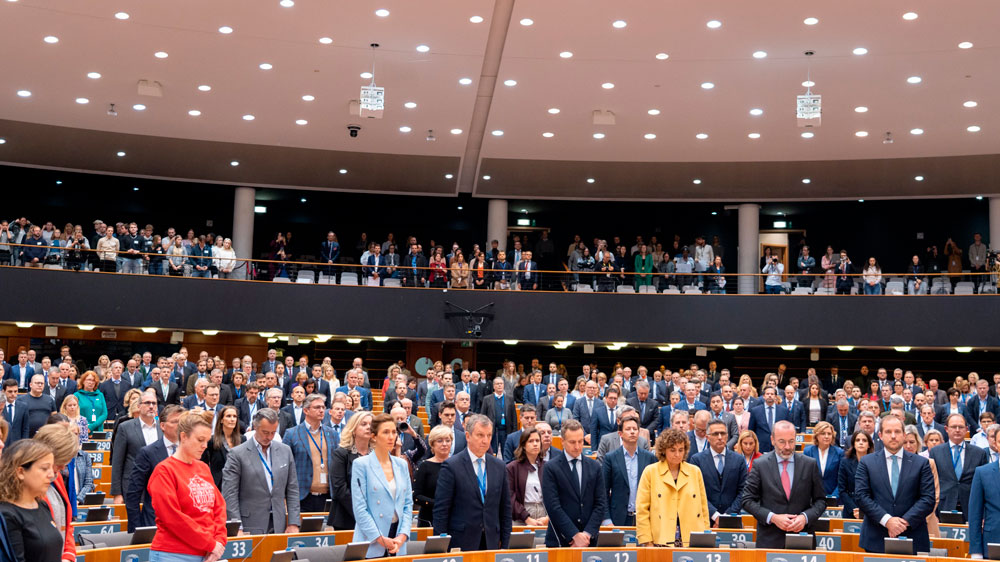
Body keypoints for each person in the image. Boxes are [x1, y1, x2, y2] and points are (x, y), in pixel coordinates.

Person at [147, 409, 227, 562]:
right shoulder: (164, 471)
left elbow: (219, 508)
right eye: (200, 440)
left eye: (207, 441)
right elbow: (172, 517)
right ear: (183, 436)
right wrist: (211, 544)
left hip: (208, 553)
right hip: (172, 554)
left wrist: (219, 543)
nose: (204, 446)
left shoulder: (203, 467)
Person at [854, 415, 936, 553]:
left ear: (904, 435)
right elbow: (861, 496)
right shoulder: (867, 462)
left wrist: (903, 523)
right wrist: (887, 521)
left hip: (912, 535)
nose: (893, 436)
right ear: (880, 435)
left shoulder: (921, 463)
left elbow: (928, 499)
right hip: (876, 537)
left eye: (897, 432)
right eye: (888, 432)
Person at [741, 420, 827, 548]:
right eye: (782, 441)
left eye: (791, 441)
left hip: (802, 539)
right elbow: (747, 500)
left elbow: (820, 501)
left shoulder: (810, 464)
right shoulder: (760, 465)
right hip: (770, 539)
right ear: (772, 440)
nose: (787, 447)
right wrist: (773, 517)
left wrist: (805, 518)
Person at [433, 414, 512, 551]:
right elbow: (441, 511)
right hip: (461, 541)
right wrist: (441, 548)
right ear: (468, 436)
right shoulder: (451, 466)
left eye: (489, 435)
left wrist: (505, 544)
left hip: (491, 541)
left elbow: (505, 509)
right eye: (480, 435)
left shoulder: (499, 466)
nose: (485, 440)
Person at [222, 408, 300, 534]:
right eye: (265, 432)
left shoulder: (285, 451)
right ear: (255, 427)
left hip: (279, 523)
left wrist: (293, 522)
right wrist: (237, 526)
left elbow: (292, 489)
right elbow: (229, 494)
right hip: (250, 524)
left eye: (273, 432)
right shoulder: (237, 454)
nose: (269, 437)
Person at [351, 413, 413, 557]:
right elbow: (360, 508)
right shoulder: (361, 465)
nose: (391, 437)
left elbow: (407, 504)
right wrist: (379, 538)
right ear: (374, 436)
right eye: (385, 432)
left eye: (393, 432)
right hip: (371, 539)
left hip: (397, 538)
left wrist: (402, 536)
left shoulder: (401, 465)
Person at [636, 428, 709, 546]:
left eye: (681, 450)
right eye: (672, 450)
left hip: (691, 538)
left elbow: (703, 508)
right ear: (664, 450)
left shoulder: (695, 472)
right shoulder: (650, 472)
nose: (677, 454)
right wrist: (647, 541)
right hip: (660, 538)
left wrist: (705, 536)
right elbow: (642, 510)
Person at [541, 419, 604, 546]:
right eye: (572, 442)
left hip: (589, 540)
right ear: (562, 441)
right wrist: (574, 534)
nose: (577, 446)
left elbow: (600, 504)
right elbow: (553, 506)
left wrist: (587, 534)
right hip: (560, 539)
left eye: (580, 441)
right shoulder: (551, 468)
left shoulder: (595, 466)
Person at [0, 440, 62, 562]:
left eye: (51, 468)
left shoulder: (42, 505)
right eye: (44, 468)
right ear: (21, 472)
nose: (51, 474)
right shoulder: (6, 515)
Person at [126, 405, 183, 532]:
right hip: (154, 522)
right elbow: (133, 493)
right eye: (175, 422)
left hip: (184, 524)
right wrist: (136, 529)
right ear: (162, 426)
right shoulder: (148, 452)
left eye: (182, 422)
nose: (180, 426)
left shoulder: (191, 452)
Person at [928, 412, 988, 522]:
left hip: (970, 506)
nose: (957, 430)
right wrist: (932, 513)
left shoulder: (979, 453)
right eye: (953, 427)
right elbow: (931, 484)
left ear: (966, 429)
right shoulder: (935, 452)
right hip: (944, 505)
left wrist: (984, 514)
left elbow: (984, 486)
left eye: (960, 427)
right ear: (946, 429)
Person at [283, 394, 337, 513]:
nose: (322, 410)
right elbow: (284, 467)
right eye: (317, 407)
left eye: (323, 407)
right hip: (302, 496)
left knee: (326, 531)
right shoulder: (291, 434)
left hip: (328, 496)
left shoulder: (332, 434)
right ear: (306, 410)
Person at [689, 419, 748, 526]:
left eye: (723, 433)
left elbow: (743, 491)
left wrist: (727, 516)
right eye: (715, 434)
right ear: (707, 437)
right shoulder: (697, 460)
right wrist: (715, 516)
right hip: (705, 520)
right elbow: (695, 492)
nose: (720, 437)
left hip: (733, 520)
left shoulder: (739, 460)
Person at [602, 416, 656, 526]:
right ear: (620, 434)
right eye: (628, 429)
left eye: (635, 429)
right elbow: (603, 492)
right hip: (618, 518)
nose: (632, 432)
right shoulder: (610, 458)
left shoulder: (649, 457)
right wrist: (607, 520)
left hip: (644, 518)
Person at [110, 389, 161, 504]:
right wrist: (117, 493)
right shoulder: (125, 427)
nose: (151, 406)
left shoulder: (162, 428)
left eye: (154, 403)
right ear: (139, 406)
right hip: (132, 487)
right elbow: (117, 462)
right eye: (147, 403)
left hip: (157, 487)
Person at [329, 410, 373, 530]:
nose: (368, 427)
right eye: (363, 424)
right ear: (353, 430)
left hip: (375, 515)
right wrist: (362, 512)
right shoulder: (341, 454)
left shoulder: (377, 455)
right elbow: (339, 488)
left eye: (371, 424)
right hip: (347, 516)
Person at [902, 426, 940, 538]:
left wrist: (916, 518)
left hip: (926, 520)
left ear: (918, 443)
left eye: (912, 442)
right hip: (900, 522)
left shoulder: (929, 463)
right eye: (905, 442)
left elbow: (935, 495)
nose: (908, 446)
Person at [506, 427, 548, 526]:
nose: (535, 444)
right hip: (520, 516)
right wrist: (526, 518)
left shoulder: (548, 467)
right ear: (523, 445)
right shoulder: (512, 468)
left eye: (537, 441)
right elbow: (510, 498)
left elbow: (556, 495)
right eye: (531, 441)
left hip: (545, 516)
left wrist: (547, 518)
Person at [969, 426, 1000, 559]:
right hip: (993, 541)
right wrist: (976, 551)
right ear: (996, 444)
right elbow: (975, 514)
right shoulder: (982, 473)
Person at [413, 426, 452, 528]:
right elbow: (416, 496)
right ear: (432, 445)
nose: (444, 444)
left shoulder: (458, 465)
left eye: (447, 440)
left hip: (454, 519)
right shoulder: (424, 466)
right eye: (440, 441)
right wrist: (440, 504)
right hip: (429, 520)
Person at [201, 405, 244, 489]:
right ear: (221, 420)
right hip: (218, 485)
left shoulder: (243, 439)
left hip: (238, 484)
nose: (232, 419)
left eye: (234, 416)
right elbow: (203, 463)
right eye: (228, 416)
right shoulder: (211, 440)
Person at [838, 430, 874, 519]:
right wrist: (854, 508)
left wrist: (866, 509)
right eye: (858, 440)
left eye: (864, 440)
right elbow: (842, 490)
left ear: (869, 445)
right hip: (850, 509)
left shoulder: (876, 463)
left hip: (870, 509)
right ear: (853, 444)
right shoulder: (845, 462)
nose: (861, 443)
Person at [802, 421, 843, 498]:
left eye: (829, 434)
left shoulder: (839, 453)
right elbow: (805, 477)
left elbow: (841, 479)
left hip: (833, 497)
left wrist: (834, 496)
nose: (826, 436)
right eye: (823, 433)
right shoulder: (808, 451)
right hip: (813, 498)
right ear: (817, 435)